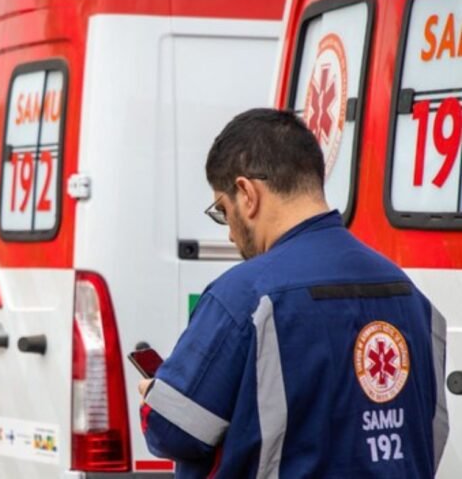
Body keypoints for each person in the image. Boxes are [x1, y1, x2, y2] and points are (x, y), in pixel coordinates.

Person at [138, 108, 449, 478]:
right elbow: (430, 433)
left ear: (247, 194)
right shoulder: (411, 297)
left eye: (223, 210)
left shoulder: (243, 296)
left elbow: (173, 430)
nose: (230, 234)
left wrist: (154, 397)